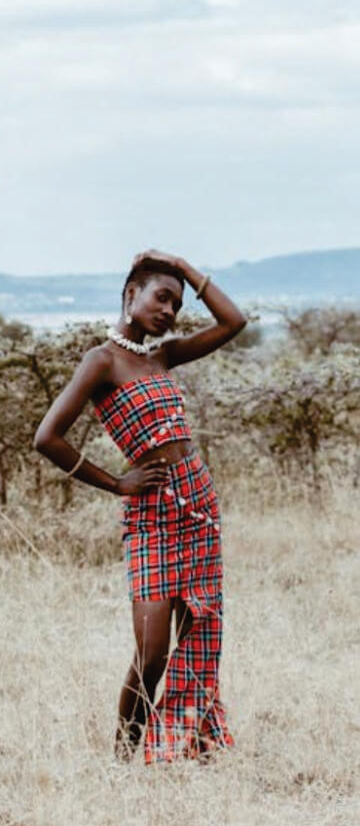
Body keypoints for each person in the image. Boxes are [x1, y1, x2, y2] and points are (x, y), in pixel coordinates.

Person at [34, 250, 247, 763]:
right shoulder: (101, 362)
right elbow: (47, 437)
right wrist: (116, 483)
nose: (170, 310)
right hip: (150, 515)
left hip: (197, 506)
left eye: (175, 302)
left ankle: (185, 746)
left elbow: (233, 321)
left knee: (198, 635)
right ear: (131, 295)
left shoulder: (163, 357)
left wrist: (181, 265)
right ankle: (125, 760)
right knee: (151, 654)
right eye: (160, 296)